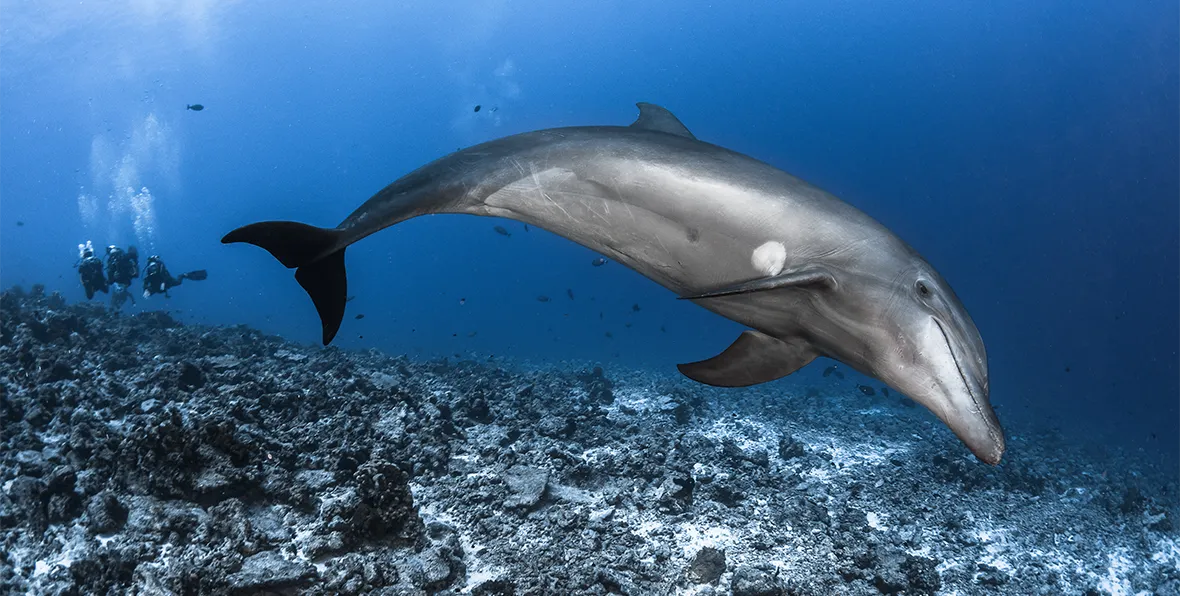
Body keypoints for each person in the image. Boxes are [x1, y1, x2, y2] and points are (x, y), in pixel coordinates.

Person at [105, 245, 139, 309]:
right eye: (112, 255)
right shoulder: (113, 261)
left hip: (124, 278)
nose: (114, 257)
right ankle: (116, 308)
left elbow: (110, 279)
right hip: (124, 278)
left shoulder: (119, 259)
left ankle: (116, 308)